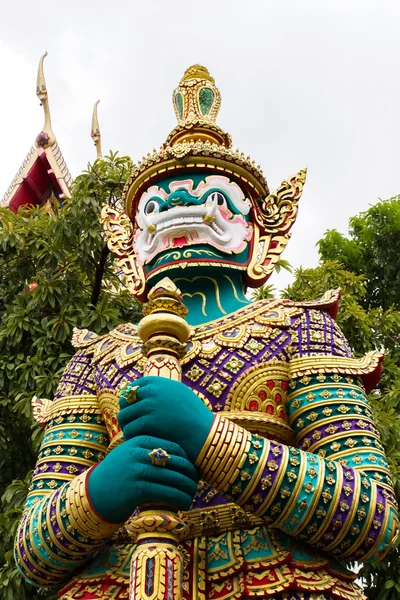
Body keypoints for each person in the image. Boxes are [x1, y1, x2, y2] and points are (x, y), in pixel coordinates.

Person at [15, 65, 399, 600]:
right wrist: (101, 492)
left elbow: (372, 519)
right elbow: (33, 553)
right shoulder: (94, 361)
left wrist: (211, 439)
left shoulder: (301, 330)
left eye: (209, 196)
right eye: (156, 205)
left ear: (260, 230)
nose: (176, 210)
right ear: (129, 242)